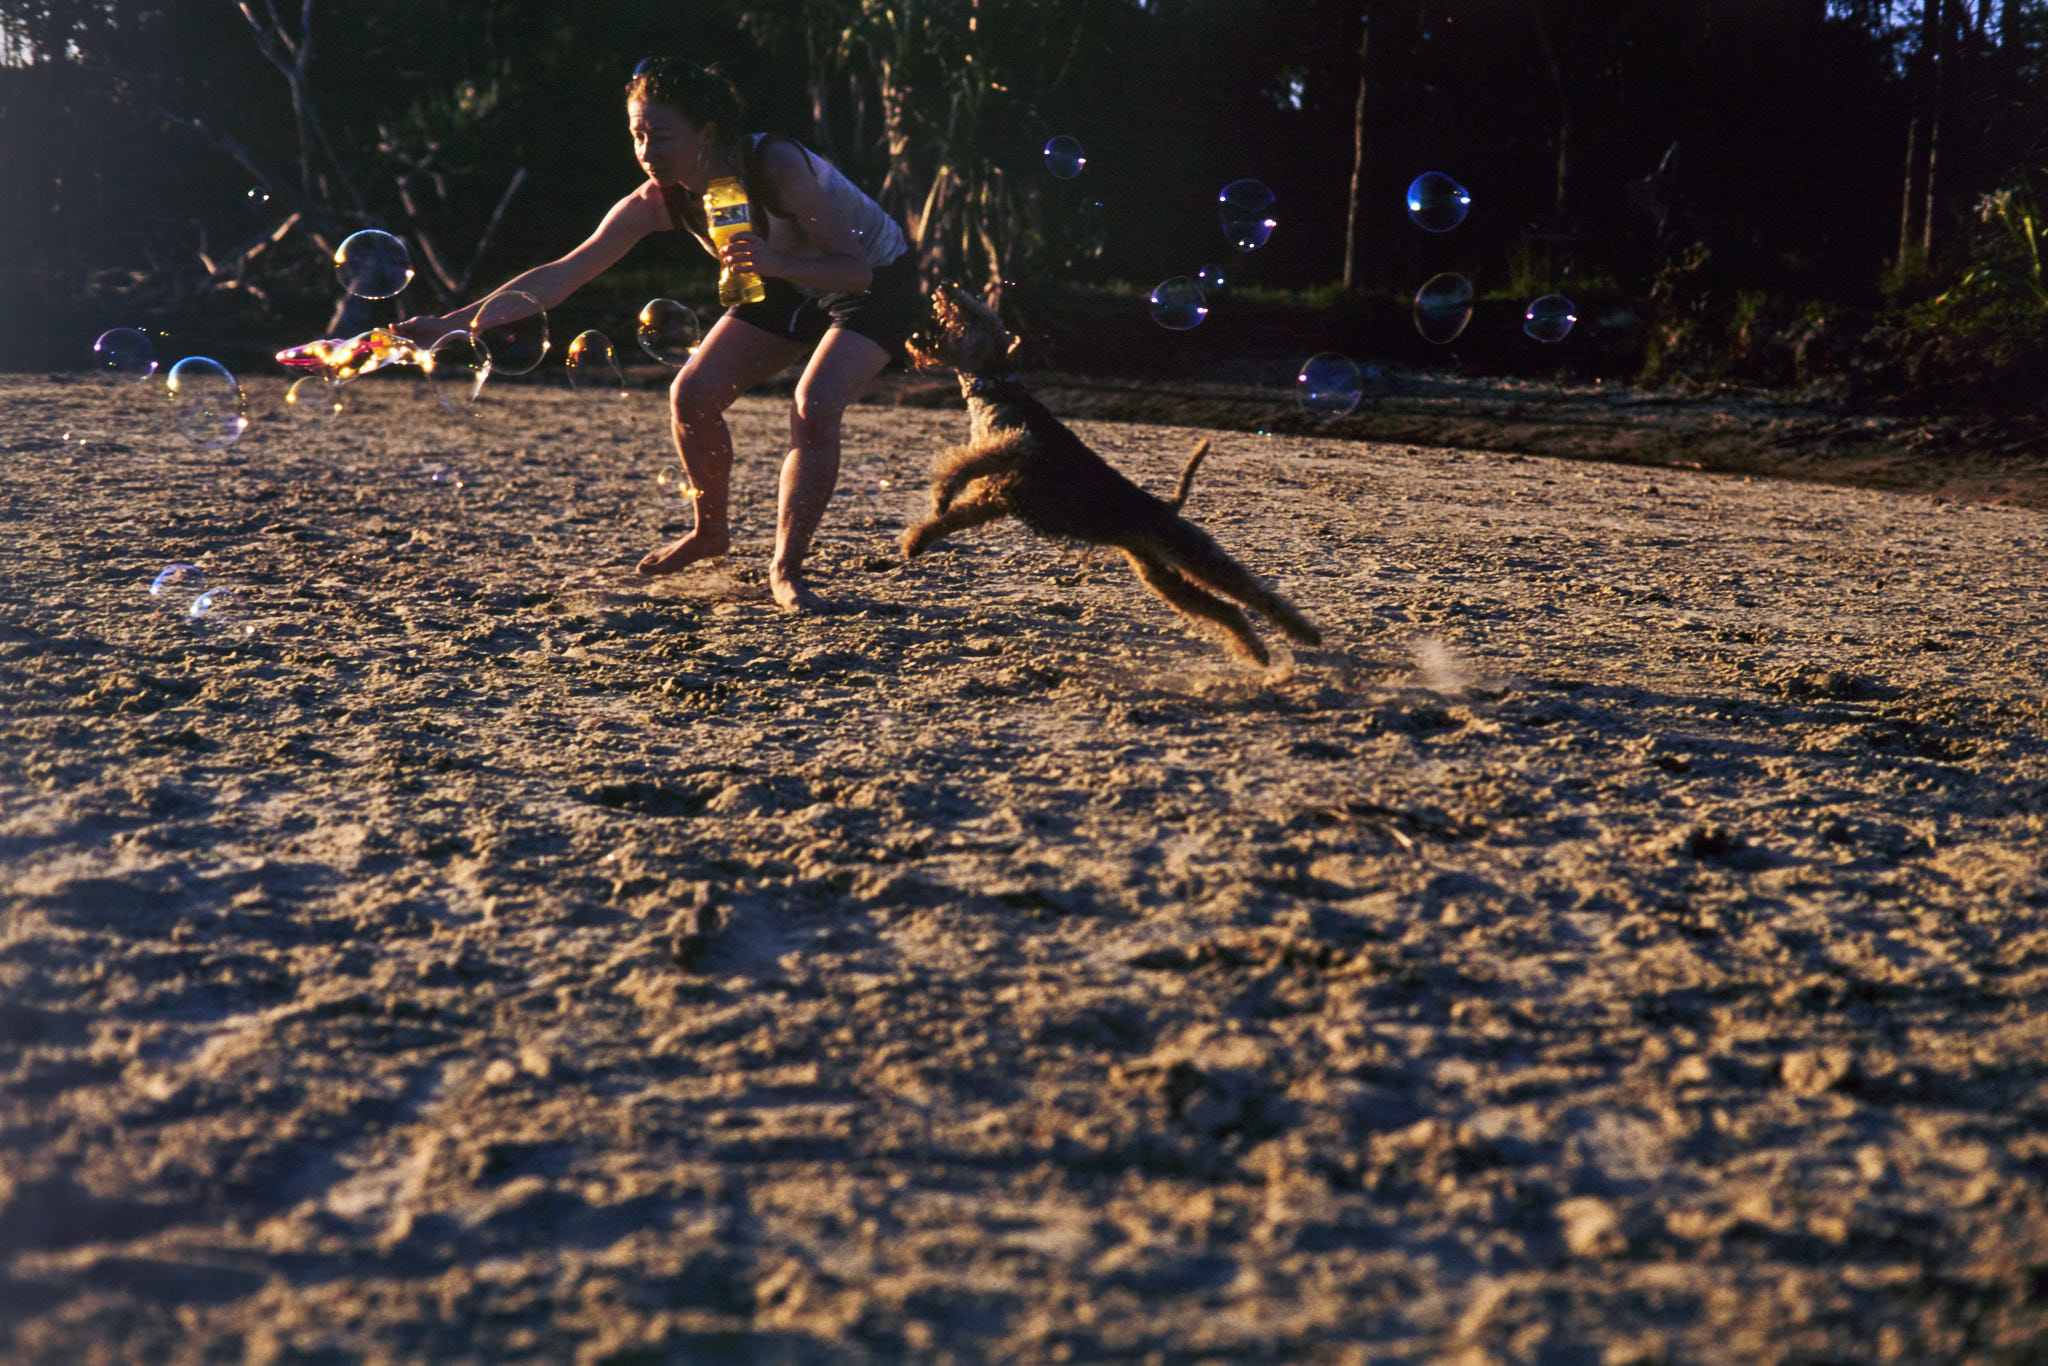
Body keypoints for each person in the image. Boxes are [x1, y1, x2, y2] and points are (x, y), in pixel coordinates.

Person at [397, 57, 917, 611]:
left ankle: (785, 570)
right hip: (783, 282)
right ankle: (709, 532)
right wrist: (448, 325)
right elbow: (564, 273)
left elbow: (854, 271)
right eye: (637, 136)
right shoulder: (659, 198)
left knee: (813, 406)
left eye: (661, 137)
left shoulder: (775, 165)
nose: (646, 151)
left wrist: (772, 261)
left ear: (707, 134)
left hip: (875, 283)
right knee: (691, 395)